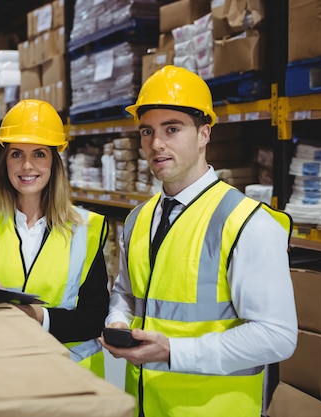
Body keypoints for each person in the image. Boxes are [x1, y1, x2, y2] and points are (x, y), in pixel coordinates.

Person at [100, 66, 298, 416]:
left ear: (204, 133)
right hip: (145, 404)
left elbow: (277, 336)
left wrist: (173, 351)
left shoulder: (246, 223)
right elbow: (126, 293)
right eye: (147, 131)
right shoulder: (138, 219)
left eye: (172, 129)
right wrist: (118, 320)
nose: (156, 144)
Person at [0, 99, 110, 377]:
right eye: (16, 154)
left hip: (67, 376)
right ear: (5, 162)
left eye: (39, 154)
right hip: (1, 370)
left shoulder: (86, 228)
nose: (27, 166)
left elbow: (94, 318)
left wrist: (40, 317)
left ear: (54, 163)